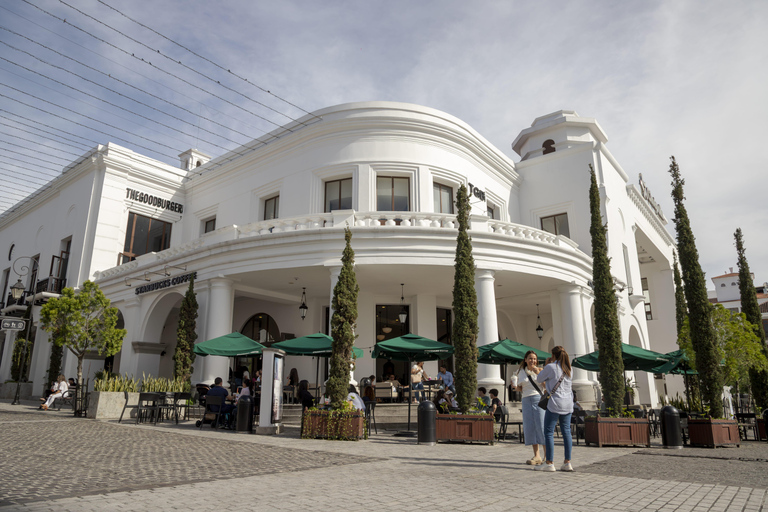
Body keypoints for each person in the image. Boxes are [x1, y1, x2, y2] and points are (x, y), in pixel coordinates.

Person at [536, 345, 574, 472]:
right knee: (566, 432)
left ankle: (549, 463)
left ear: (553, 355)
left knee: (548, 432)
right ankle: (567, 462)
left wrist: (547, 364)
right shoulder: (569, 368)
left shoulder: (551, 367)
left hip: (555, 403)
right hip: (568, 403)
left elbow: (539, 378)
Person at [515, 350, 547, 465]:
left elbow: (545, 386)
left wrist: (538, 374)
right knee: (531, 427)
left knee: (541, 426)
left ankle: (547, 455)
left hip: (538, 398)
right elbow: (520, 388)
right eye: (530, 358)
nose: (532, 360)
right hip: (525, 400)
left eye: (534, 358)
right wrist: (515, 386)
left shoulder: (541, 371)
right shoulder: (520, 372)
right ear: (525, 360)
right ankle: (537, 455)